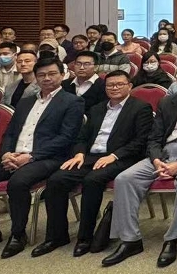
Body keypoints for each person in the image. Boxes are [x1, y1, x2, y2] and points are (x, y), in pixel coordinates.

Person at [104, 60, 177, 268]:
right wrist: (157, 159)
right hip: (165, 152)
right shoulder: (167, 102)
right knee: (125, 178)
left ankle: (173, 238)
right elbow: (154, 137)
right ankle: (130, 240)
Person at [0, 57, 84, 257]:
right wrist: (6, 153)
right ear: (36, 77)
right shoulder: (25, 102)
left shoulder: (72, 102)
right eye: (41, 75)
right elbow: (10, 133)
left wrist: (30, 157)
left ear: (62, 75)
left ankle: (17, 234)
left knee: (18, 182)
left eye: (52, 74)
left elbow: (66, 138)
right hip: (13, 156)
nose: (46, 78)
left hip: (46, 158)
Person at [35, 71, 153, 257]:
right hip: (90, 157)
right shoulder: (97, 109)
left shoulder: (141, 108)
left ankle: (85, 237)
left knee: (92, 180)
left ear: (130, 86)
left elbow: (141, 141)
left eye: (119, 84)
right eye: (110, 85)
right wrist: (79, 154)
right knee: (57, 180)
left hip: (121, 158)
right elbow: (81, 136)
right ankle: (56, 236)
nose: (114, 88)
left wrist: (114, 156)